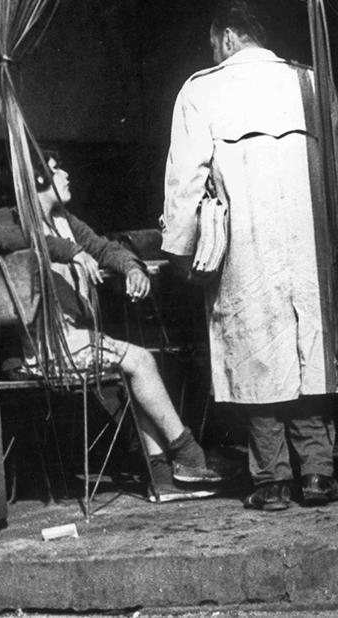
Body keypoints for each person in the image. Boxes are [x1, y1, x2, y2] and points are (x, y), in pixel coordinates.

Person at [162, 0, 338, 511]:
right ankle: (320, 476)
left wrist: (179, 251)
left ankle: (273, 482)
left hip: (246, 249)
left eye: (214, 43)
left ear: (229, 36)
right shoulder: (309, 81)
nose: (213, 52)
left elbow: (184, 181)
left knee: (256, 360)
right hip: (311, 246)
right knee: (309, 358)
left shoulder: (202, 90)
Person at [0, 151, 233, 502]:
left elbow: (105, 248)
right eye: (57, 170)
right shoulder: (8, 219)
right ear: (37, 178)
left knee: (138, 371)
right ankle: (187, 452)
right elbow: (8, 241)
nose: (67, 174)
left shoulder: (65, 221)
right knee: (141, 362)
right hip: (45, 349)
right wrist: (70, 252)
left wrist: (133, 268)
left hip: (77, 340)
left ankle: (161, 475)